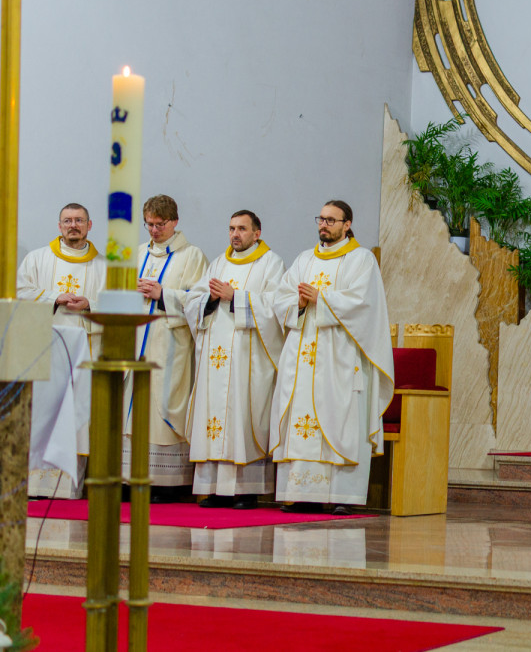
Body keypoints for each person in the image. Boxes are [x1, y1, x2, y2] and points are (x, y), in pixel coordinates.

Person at [269, 200, 393, 514]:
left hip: (340, 356)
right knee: (301, 421)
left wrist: (321, 298)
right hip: (302, 355)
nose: (323, 225)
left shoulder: (361, 259)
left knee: (341, 421)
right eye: (321, 219)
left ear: (347, 224)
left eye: (331, 220)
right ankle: (302, 494)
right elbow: (281, 299)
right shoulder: (304, 259)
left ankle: (342, 497)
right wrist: (297, 303)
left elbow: (364, 304)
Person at [183, 210, 286, 509]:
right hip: (214, 356)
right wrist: (210, 299)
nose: (235, 234)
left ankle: (245, 490)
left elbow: (276, 307)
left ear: (257, 232)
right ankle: (213, 488)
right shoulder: (218, 262)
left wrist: (235, 297)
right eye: (231, 228)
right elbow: (194, 300)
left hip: (247, 357)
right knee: (212, 417)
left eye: (242, 228)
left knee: (243, 416)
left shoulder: (271, 263)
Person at [17, 203, 105, 498]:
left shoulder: (103, 266)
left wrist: (90, 304)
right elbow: (19, 293)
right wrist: (55, 298)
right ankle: (34, 484)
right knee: (42, 412)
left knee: (75, 414)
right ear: (59, 226)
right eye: (67, 221)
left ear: (89, 225)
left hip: (84, 354)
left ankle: (68, 488)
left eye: (79, 220)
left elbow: (117, 303)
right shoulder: (37, 259)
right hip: (44, 352)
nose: (73, 225)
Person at [127, 194, 209, 500]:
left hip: (170, 343)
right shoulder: (137, 254)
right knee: (132, 408)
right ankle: (129, 478)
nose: (154, 230)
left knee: (163, 405)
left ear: (174, 221)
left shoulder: (192, 256)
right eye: (149, 224)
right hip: (136, 341)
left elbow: (200, 302)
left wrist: (164, 294)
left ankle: (166, 483)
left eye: (160, 224)